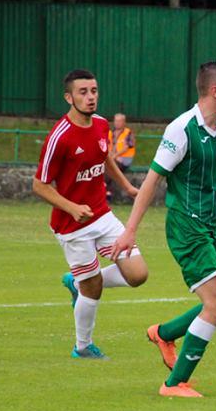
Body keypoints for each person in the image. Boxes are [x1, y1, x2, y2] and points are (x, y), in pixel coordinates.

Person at [111, 61, 216, 398]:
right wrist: (130, 232)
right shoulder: (181, 129)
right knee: (215, 306)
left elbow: (212, 184)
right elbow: (153, 181)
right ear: (215, 91)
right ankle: (174, 384)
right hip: (187, 227)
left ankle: (165, 333)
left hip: (213, 225)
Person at [33, 69, 149, 360]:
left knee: (138, 274)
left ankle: (78, 282)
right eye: (83, 92)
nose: (90, 97)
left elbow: (104, 156)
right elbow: (39, 185)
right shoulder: (59, 137)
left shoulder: (100, 124)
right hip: (71, 226)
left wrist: (126, 186)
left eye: (94, 91)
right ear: (68, 97)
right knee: (93, 289)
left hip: (102, 216)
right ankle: (82, 347)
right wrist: (72, 207)